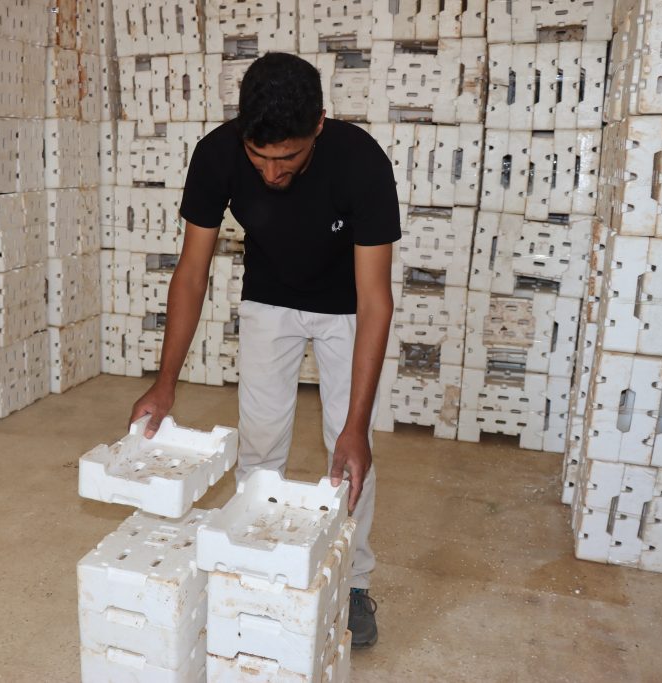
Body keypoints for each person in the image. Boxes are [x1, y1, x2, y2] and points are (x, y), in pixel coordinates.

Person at [129, 52, 400, 648]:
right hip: (269, 299)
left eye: (289, 159)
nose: (273, 174)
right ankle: (254, 566)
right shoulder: (217, 153)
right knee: (260, 441)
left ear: (320, 127)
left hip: (348, 306)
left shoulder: (361, 163)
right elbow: (192, 270)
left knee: (347, 450)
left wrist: (357, 424)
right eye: (260, 158)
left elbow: (376, 297)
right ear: (241, 131)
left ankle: (351, 582)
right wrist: (165, 382)